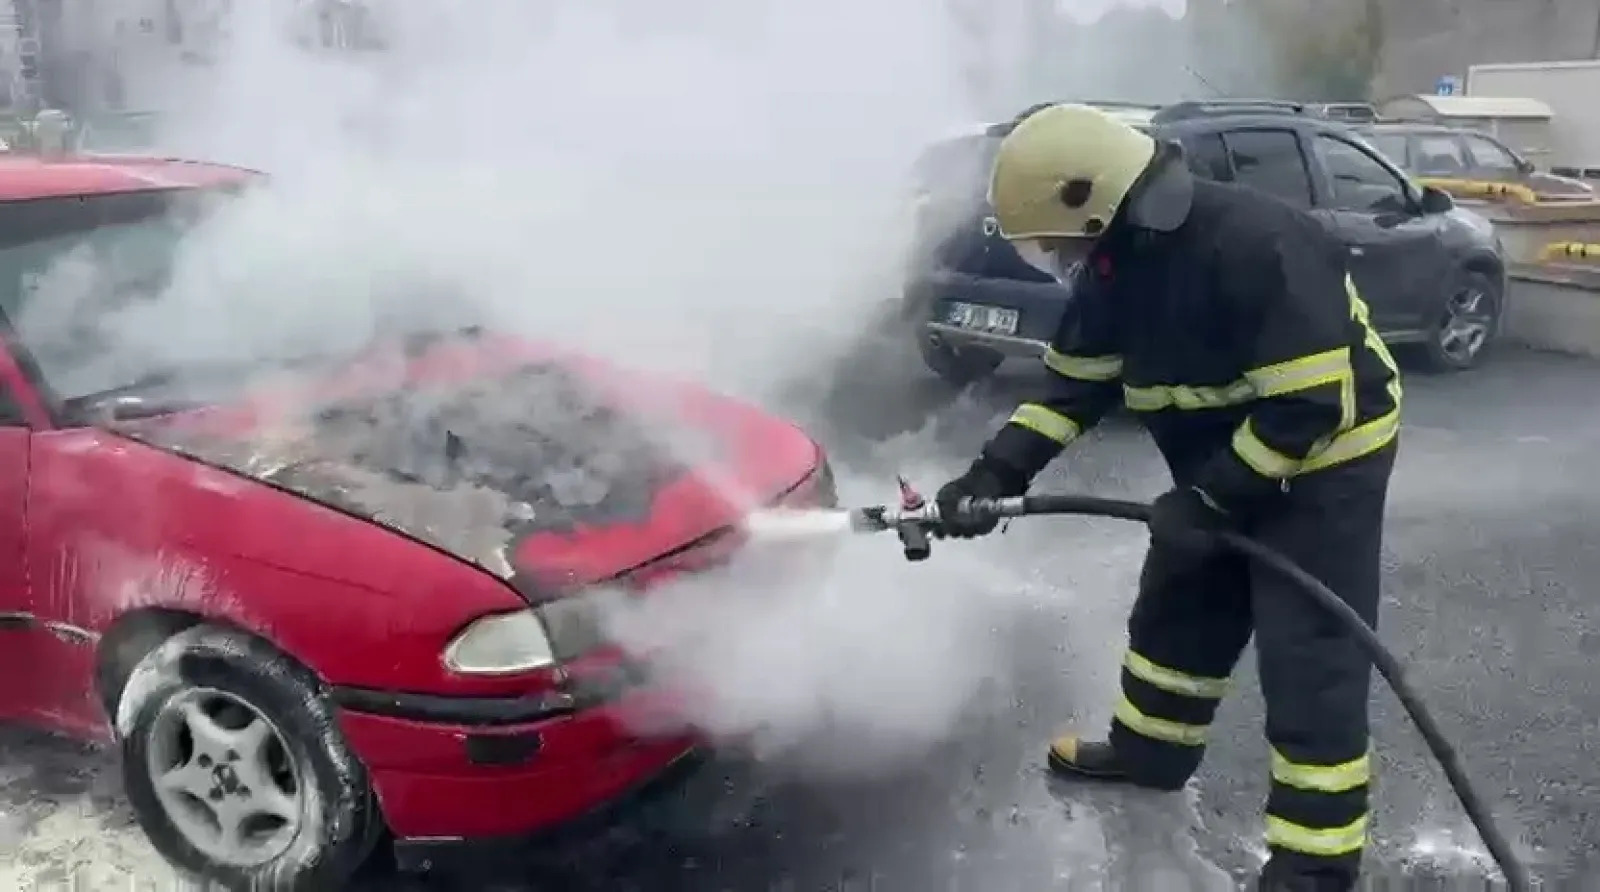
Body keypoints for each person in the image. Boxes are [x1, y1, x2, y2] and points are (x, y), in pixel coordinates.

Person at [935, 103, 1403, 891]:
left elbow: (1310, 407)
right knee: (1178, 602)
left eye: (1058, 240)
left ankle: (1315, 870)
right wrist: (994, 474)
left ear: (1101, 204)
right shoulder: (1117, 266)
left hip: (1325, 464)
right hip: (1223, 460)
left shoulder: (1260, 245)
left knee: (1309, 658)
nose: (1054, 256)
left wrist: (1213, 498)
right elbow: (1072, 389)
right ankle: (1151, 754)